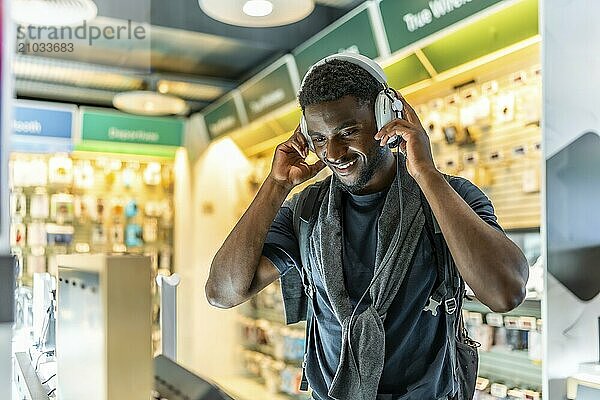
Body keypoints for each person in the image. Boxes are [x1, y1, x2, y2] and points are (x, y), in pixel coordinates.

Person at [206, 54, 529, 400]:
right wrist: (276, 185)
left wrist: (426, 174)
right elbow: (222, 292)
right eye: (318, 138)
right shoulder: (307, 210)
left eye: (348, 132)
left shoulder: (450, 198)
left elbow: (504, 292)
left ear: (385, 120)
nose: (333, 153)